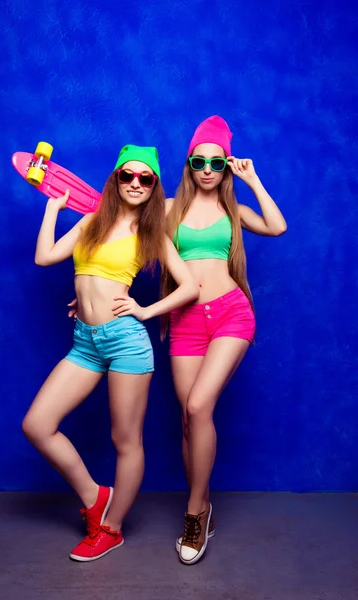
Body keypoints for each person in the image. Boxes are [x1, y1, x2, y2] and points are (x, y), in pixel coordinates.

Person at [22, 145, 199, 562]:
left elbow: (190, 287)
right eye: (128, 176)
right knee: (37, 424)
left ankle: (112, 528)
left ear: (154, 186)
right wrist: (52, 208)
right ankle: (94, 496)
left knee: (126, 441)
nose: (136, 184)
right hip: (85, 342)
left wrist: (145, 310)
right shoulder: (90, 221)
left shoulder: (152, 234)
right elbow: (45, 257)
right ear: (116, 179)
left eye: (146, 178)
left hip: (125, 343)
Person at [163, 116, 287, 565]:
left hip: (232, 313)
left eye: (217, 162)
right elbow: (125, 243)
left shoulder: (233, 211)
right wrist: (93, 295)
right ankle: (205, 502)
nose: (208, 168)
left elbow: (277, 226)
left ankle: (195, 513)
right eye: (200, 161)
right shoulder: (169, 207)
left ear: (227, 166)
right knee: (188, 418)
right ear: (190, 164)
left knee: (199, 406)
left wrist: (253, 180)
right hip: (185, 320)